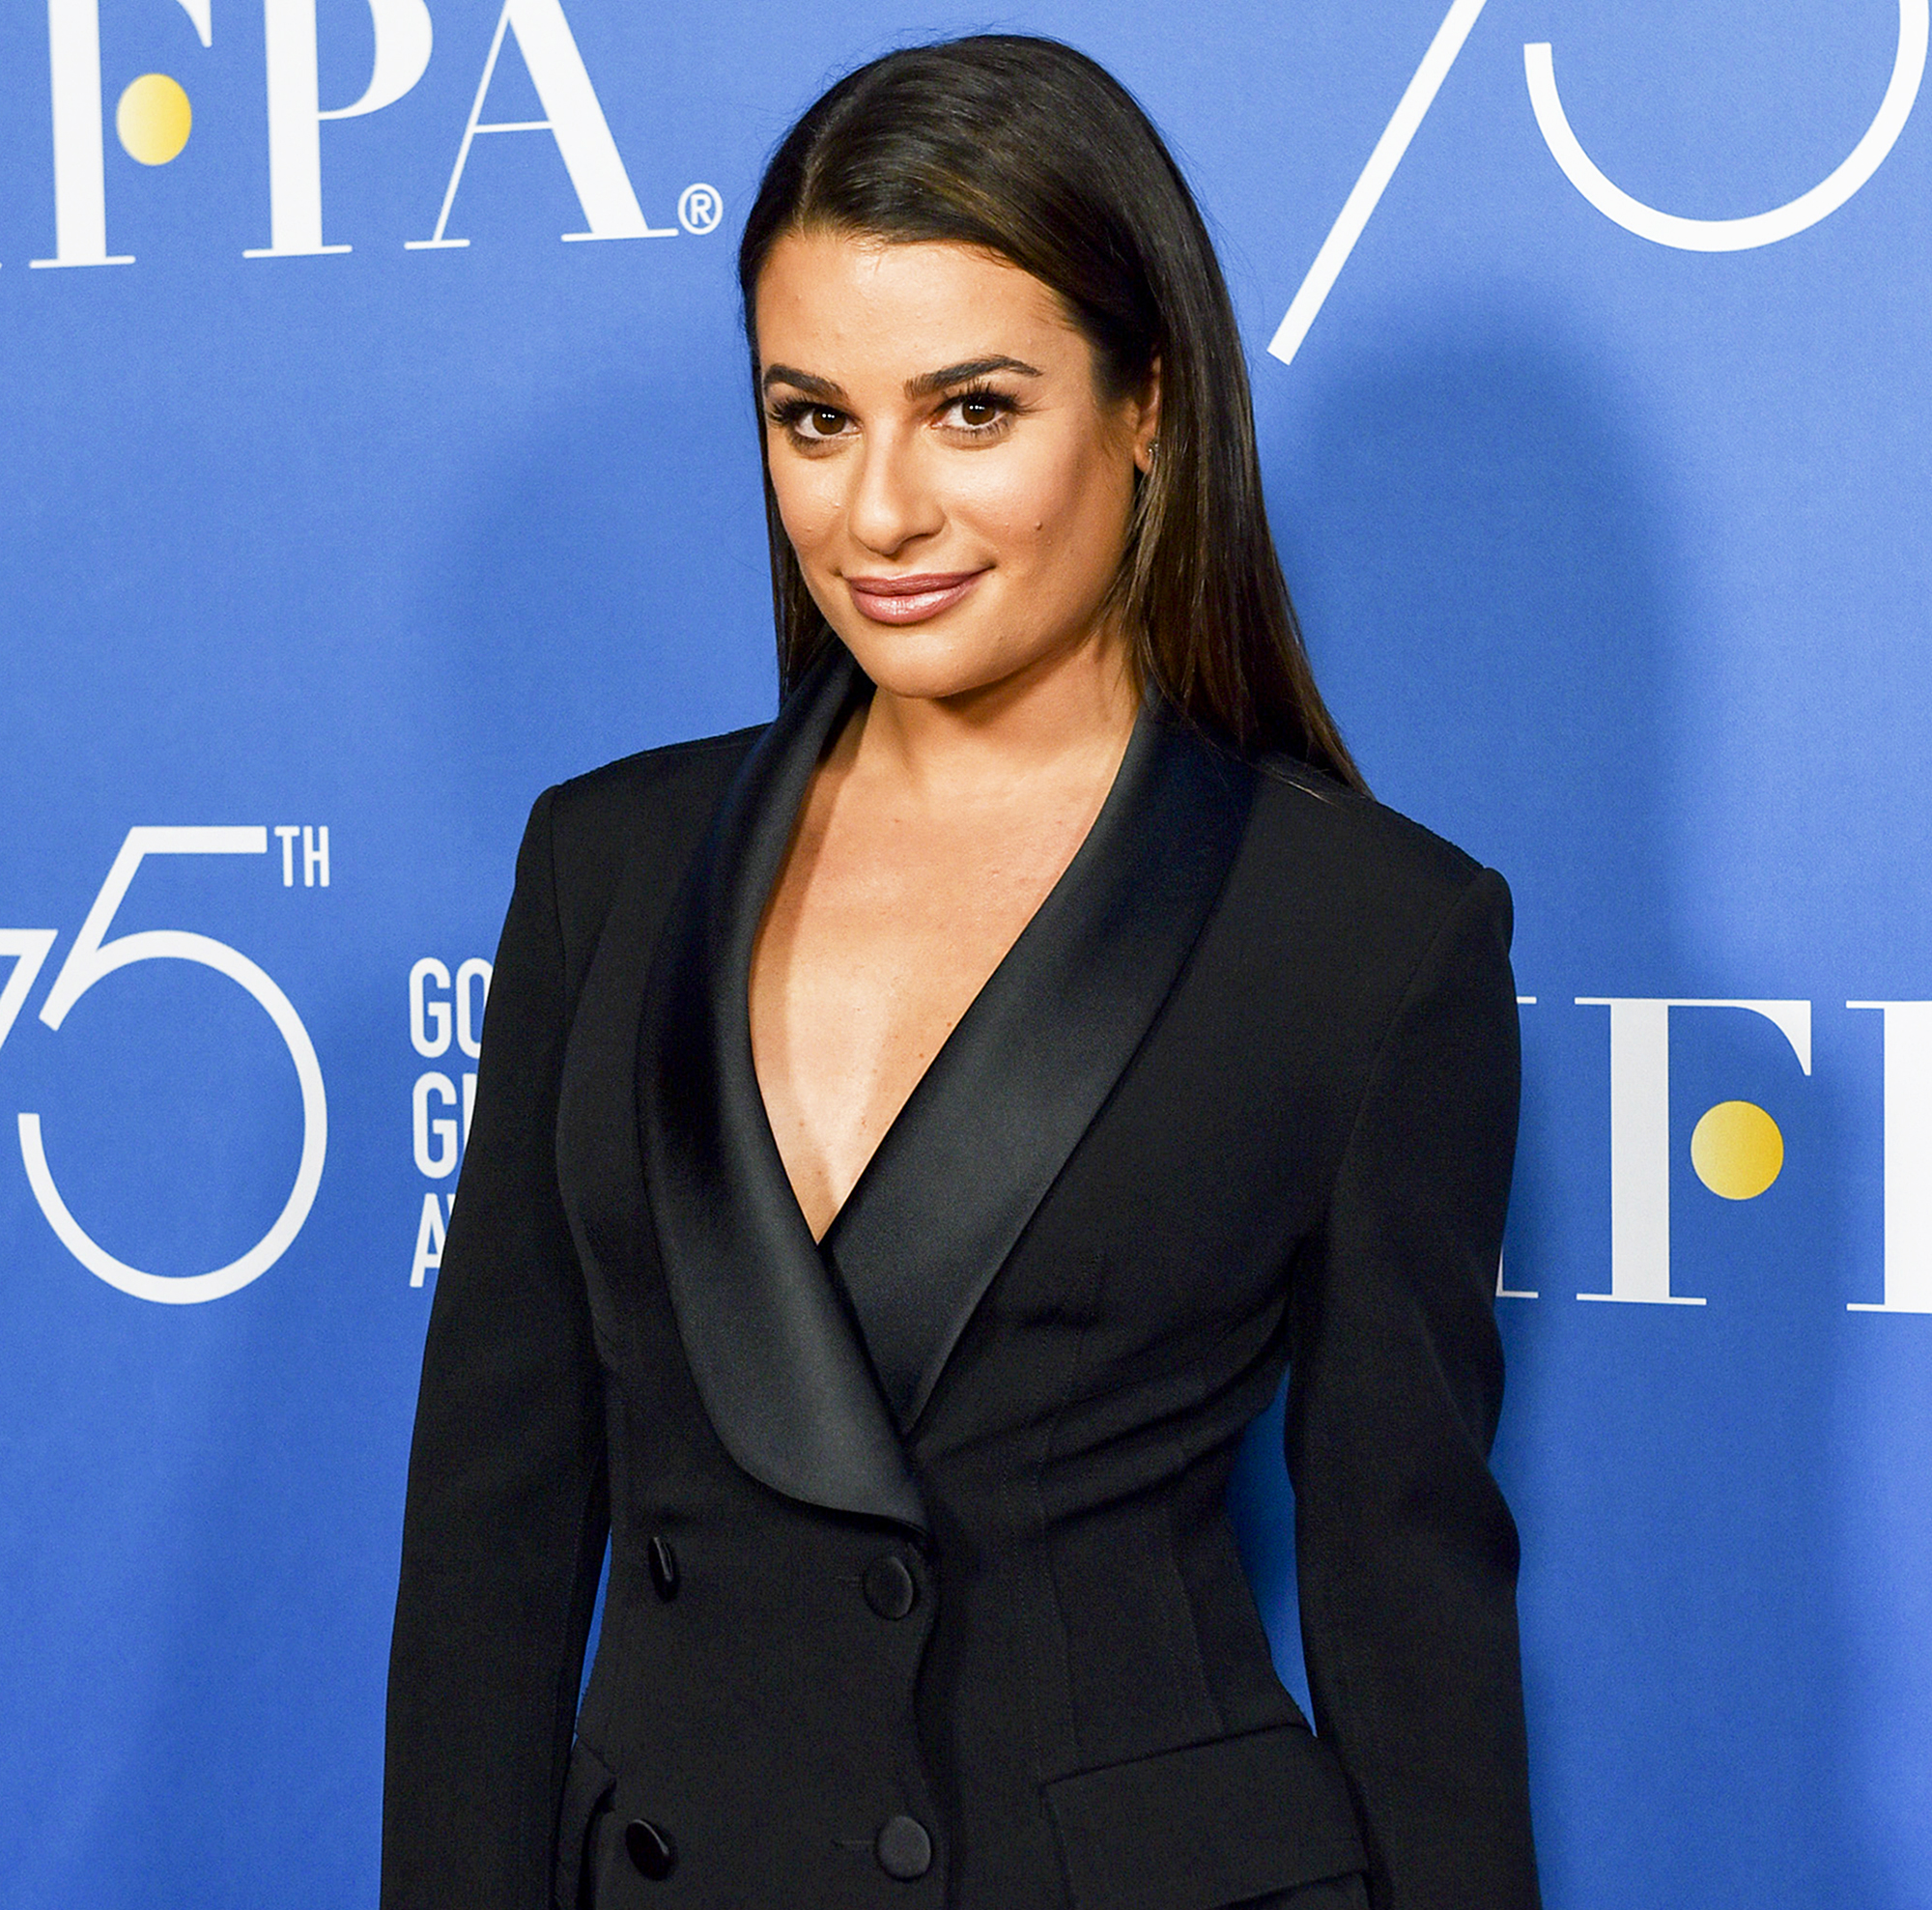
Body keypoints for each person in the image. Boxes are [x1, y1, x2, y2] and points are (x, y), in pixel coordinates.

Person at [381, 34, 1539, 1910]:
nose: (879, 512)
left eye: (973, 409)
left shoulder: (1368, 933)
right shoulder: (605, 862)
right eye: (812, 416)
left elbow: (1405, 1590)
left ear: (1145, 402)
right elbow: (490, 1540)